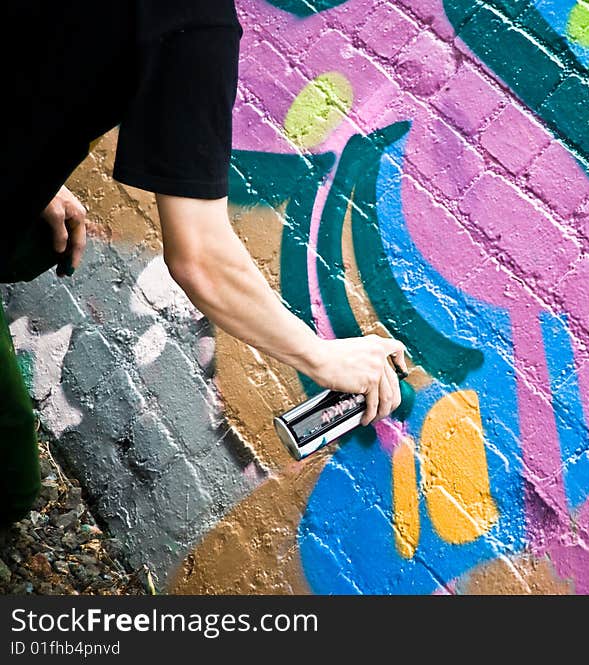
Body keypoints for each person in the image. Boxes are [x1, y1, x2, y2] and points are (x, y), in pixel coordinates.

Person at [0, 1, 406, 526]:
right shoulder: (192, 18)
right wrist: (321, 358)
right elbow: (199, 256)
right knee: (9, 483)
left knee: (37, 240)